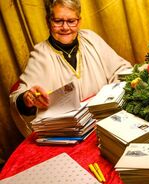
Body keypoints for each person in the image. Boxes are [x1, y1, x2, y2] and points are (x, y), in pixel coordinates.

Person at [9, 0, 131, 136]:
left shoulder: (92, 39)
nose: (65, 27)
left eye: (71, 21)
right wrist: (27, 98)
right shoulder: (40, 54)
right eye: (58, 21)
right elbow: (19, 98)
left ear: (79, 21)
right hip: (69, 133)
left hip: (105, 121)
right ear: (48, 21)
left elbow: (120, 70)